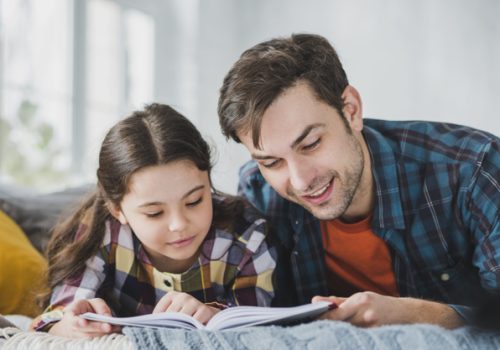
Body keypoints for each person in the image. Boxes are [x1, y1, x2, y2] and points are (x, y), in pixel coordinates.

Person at [217, 33, 500, 329]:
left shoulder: (475, 169)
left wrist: (420, 317)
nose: (300, 182)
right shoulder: (260, 193)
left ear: (351, 110)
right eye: (271, 162)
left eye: (311, 143)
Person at [31, 104, 276, 338]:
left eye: (194, 201)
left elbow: (258, 322)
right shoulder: (101, 229)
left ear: (208, 181)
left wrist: (213, 314)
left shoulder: (247, 235)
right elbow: (55, 317)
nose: (179, 224)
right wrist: (71, 324)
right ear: (117, 210)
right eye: (154, 213)